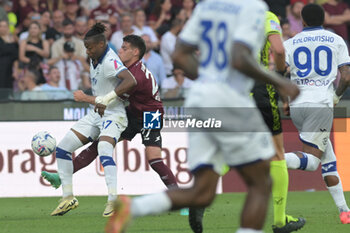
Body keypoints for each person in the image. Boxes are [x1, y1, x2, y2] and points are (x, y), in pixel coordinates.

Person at [105, 1, 300, 233]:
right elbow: (241, 58)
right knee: (261, 182)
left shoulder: (206, 8)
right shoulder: (254, 8)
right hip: (231, 99)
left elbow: (179, 55)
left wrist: (209, 79)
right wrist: (278, 80)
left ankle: (133, 208)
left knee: (203, 192)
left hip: (199, 99)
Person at [42, 34, 179, 215]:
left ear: (135, 52)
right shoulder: (127, 69)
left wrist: (84, 98)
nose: (119, 50)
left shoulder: (134, 76)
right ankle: (61, 177)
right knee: (100, 144)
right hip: (133, 112)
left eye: (124, 48)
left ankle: (179, 198)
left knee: (154, 159)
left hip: (150, 114)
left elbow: (106, 100)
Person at [50, 22, 137, 217]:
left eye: (89, 47)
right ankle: (68, 198)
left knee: (104, 148)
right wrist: (98, 99)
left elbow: (131, 80)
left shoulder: (110, 60)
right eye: (85, 47)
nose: (87, 51)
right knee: (63, 149)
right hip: (95, 114)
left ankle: (113, 200)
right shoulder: (95, 58)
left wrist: (104, 99)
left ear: (100, 44)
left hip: (114, 115)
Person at [283, 3, 350, 224]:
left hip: (297, 106)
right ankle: (269, 160)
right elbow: (347, 76)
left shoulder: (290, 43)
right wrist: (336, 96)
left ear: (302, 21)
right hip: (320, 104)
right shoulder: (336, 40)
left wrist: (285, 99)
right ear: (324, 19)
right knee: (312, 162)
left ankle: (344, 210)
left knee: (328, 160)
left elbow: (279, 73)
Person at [251, 11, 305, 233]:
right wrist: (282, 76)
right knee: (277, 153)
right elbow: (279, 49)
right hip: (257, 85)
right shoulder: (264, 16)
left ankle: (199, 196)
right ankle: (281, 220)